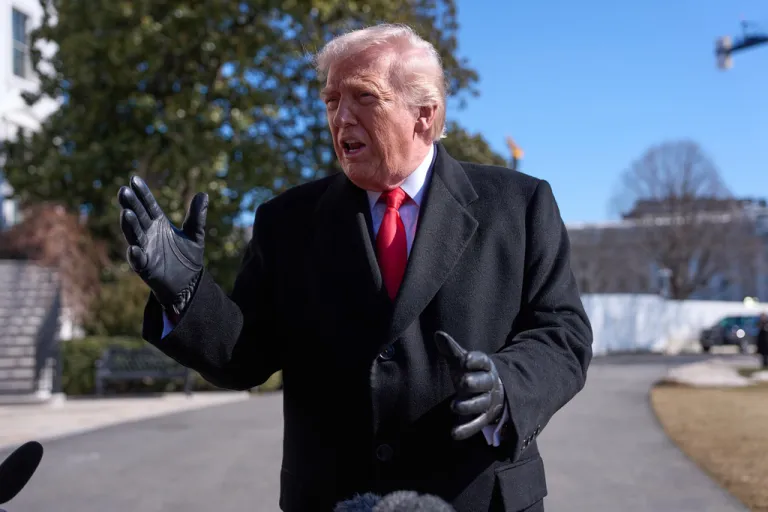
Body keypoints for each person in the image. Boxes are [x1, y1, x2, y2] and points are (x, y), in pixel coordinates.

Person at [117, 23, 592, 512]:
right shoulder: (286, 220)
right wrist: (185, 293)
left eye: (364, 97)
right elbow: (246, 356)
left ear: (424, 116)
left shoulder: (519, 205)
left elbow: (563, 333)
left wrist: (506, 385)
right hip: (333, 499)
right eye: (330, 101)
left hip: (477, 497)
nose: (341, 117)